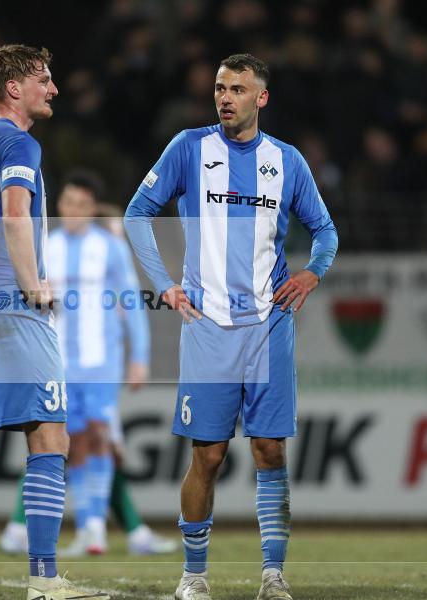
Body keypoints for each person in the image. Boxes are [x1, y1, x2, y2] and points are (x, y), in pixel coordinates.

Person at [124, 54, 338, 600]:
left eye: (238, 89)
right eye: (220, 87)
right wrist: (164, 283)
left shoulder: (286, 160)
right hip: (209, 327)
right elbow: (136, 213)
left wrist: (312, 272)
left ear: (261, 98)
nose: (225, 97)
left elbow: (326, 230)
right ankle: (194, 576)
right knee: (209, 455)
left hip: (269, 325)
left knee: (269, 450)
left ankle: (273, 575)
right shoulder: (188, 148)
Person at [0, 44, 107, 600]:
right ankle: (45, 581)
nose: (53, 89)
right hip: (13, 311)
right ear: (15, 88)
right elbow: (14, 215)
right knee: (51, 441)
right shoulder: (19, 142)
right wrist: (31, 286)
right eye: (44, 79)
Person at [0, 170, 177, 557]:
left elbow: (132, 302)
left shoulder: (110, 247)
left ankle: (93, 529)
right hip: (57, 363)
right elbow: (25, 303)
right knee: (70, 442)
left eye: (82, 204)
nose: (73, 211)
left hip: (102, 363)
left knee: (100, 437)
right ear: (59, 205)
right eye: (68, 203)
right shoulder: (45, 247)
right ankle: (91, 529)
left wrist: (139, 357)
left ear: (93, 208)